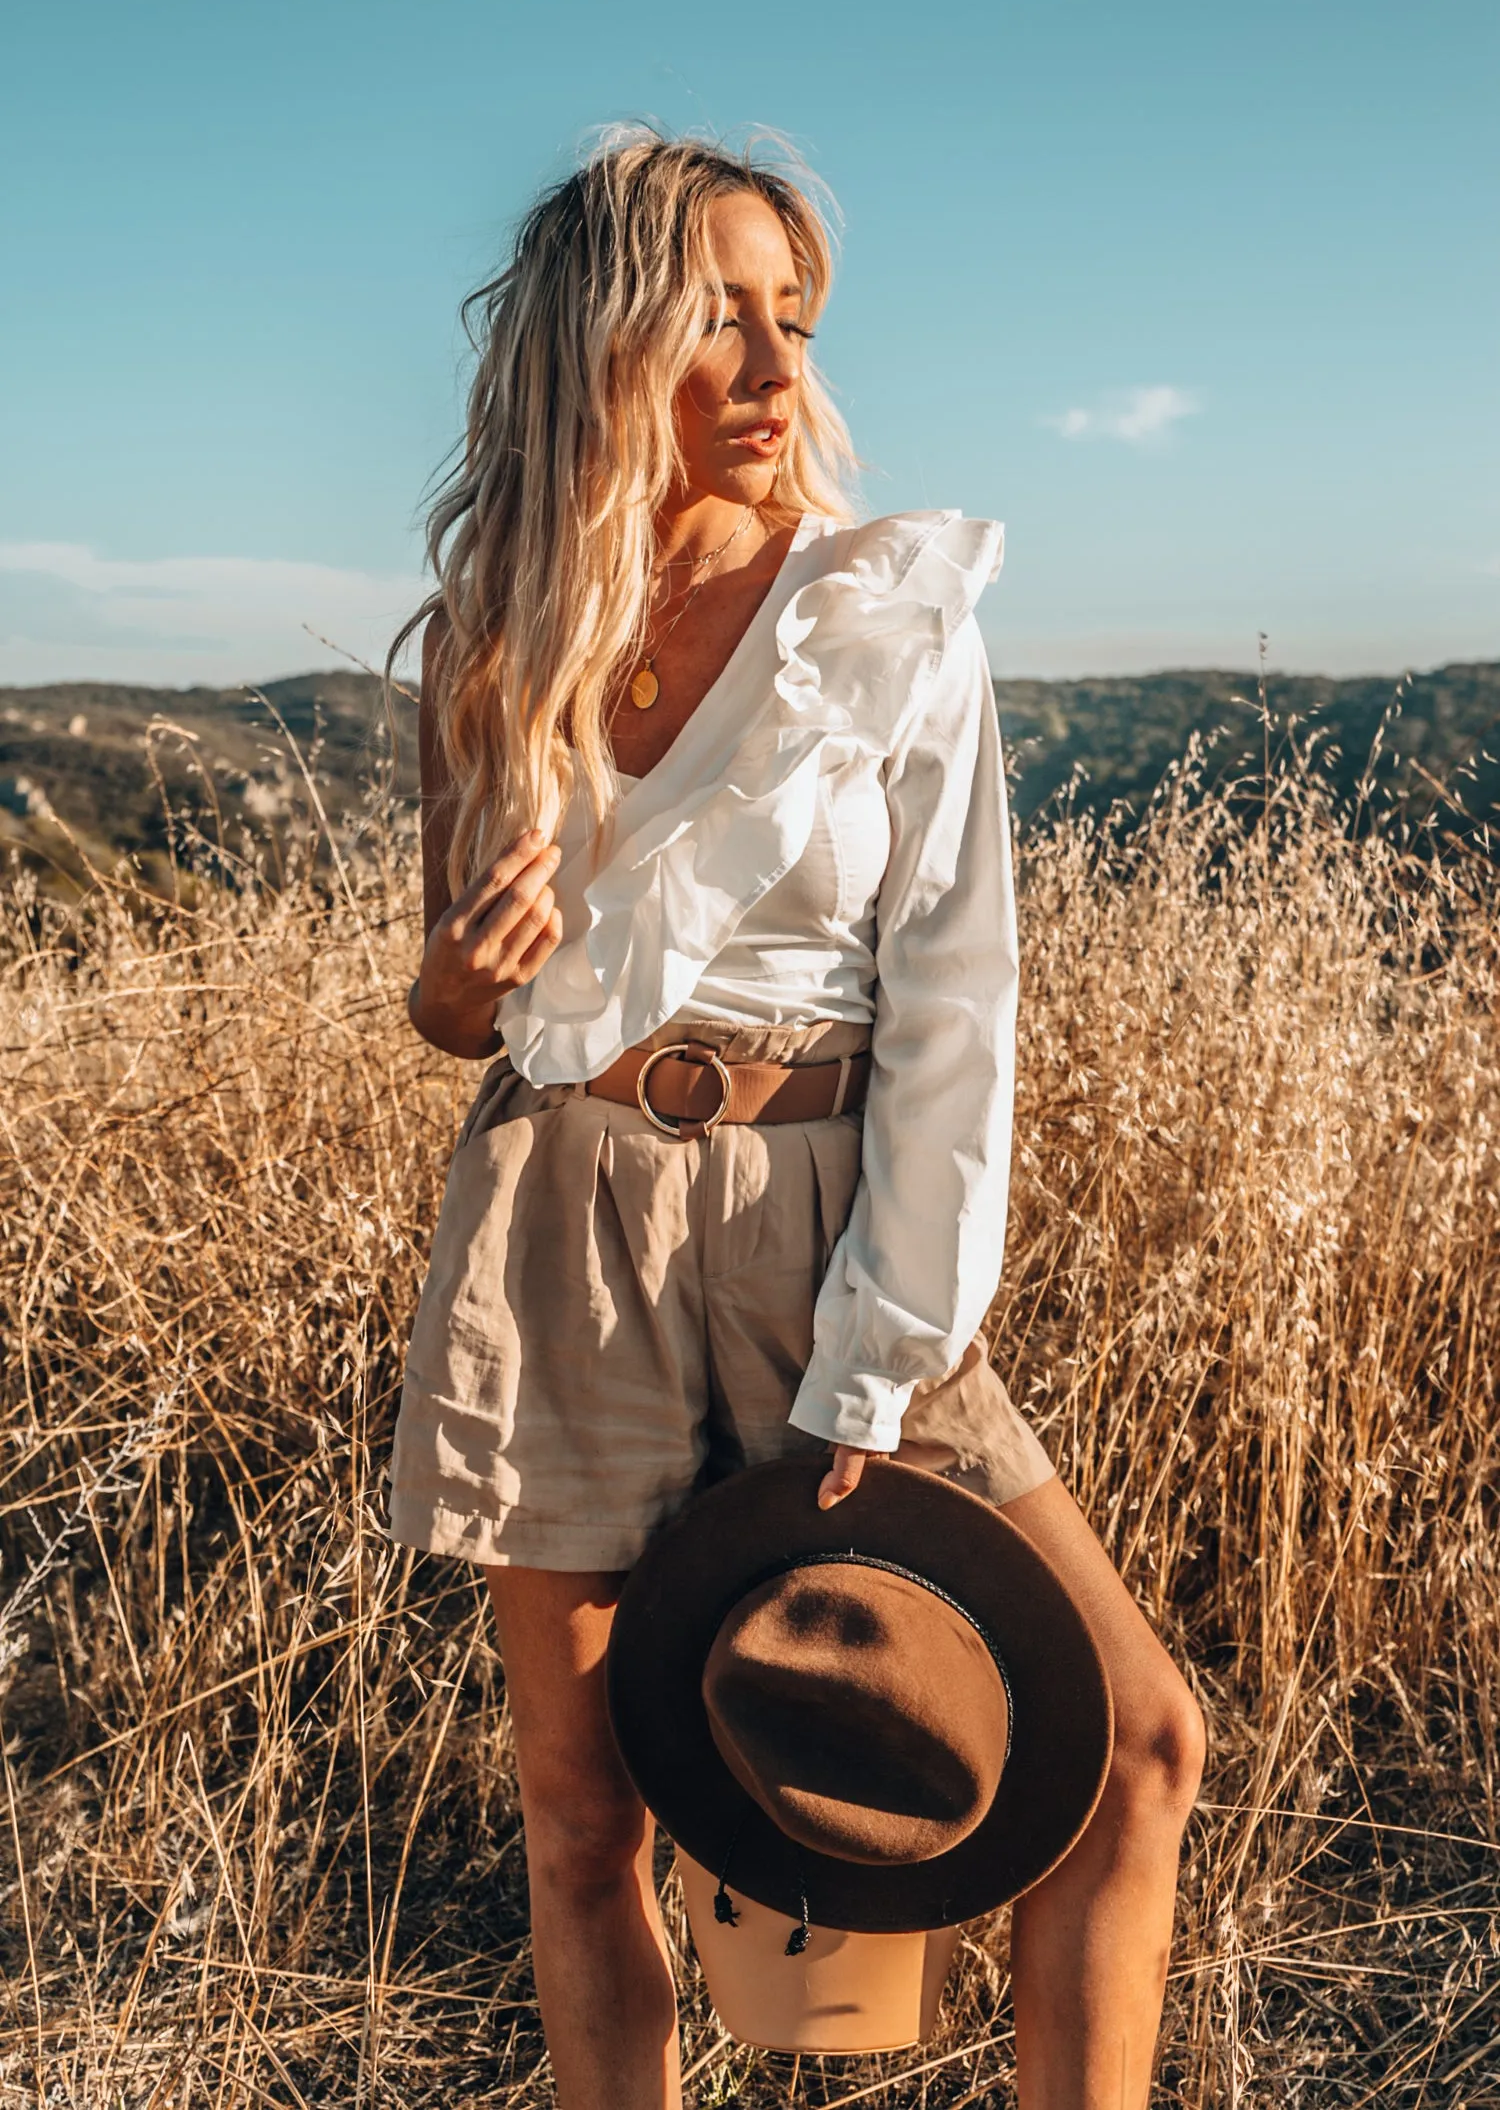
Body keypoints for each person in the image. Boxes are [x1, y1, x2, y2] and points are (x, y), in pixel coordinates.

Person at [388, 129, 1205, 2110]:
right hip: (559, 1221)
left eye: (796, 323)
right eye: (719, 320)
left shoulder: (886, 614)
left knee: (1134, 1749)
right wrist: (468, 988)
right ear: (600, 348)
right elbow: (444, 1009)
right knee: (591, 1831)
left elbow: (957, 1000)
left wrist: (876, 1359)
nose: (774, 370)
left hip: (824, 1220)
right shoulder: (503, 640)